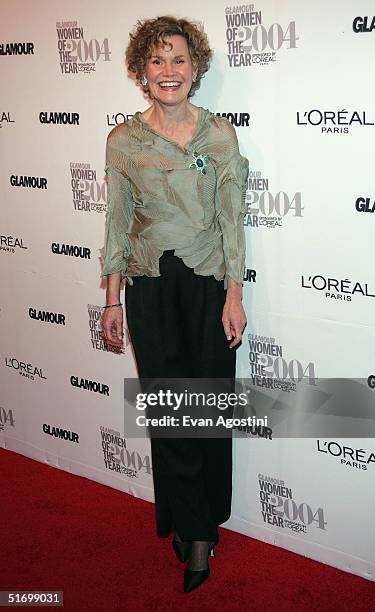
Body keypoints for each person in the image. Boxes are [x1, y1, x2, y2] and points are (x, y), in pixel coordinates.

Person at [100, 15, 249, 593]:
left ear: (196, 68)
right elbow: (116, 220)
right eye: (157, 61)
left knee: (207, 409)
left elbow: (232, 220)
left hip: (210, 285)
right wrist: (112, 297)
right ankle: (190, 524)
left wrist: (235, 292)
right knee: (169, 412)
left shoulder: (220, 135)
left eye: (179, 60)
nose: (169, 71)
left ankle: (202, 528)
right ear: (142, 71)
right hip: (150, 287)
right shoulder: (123, 141)